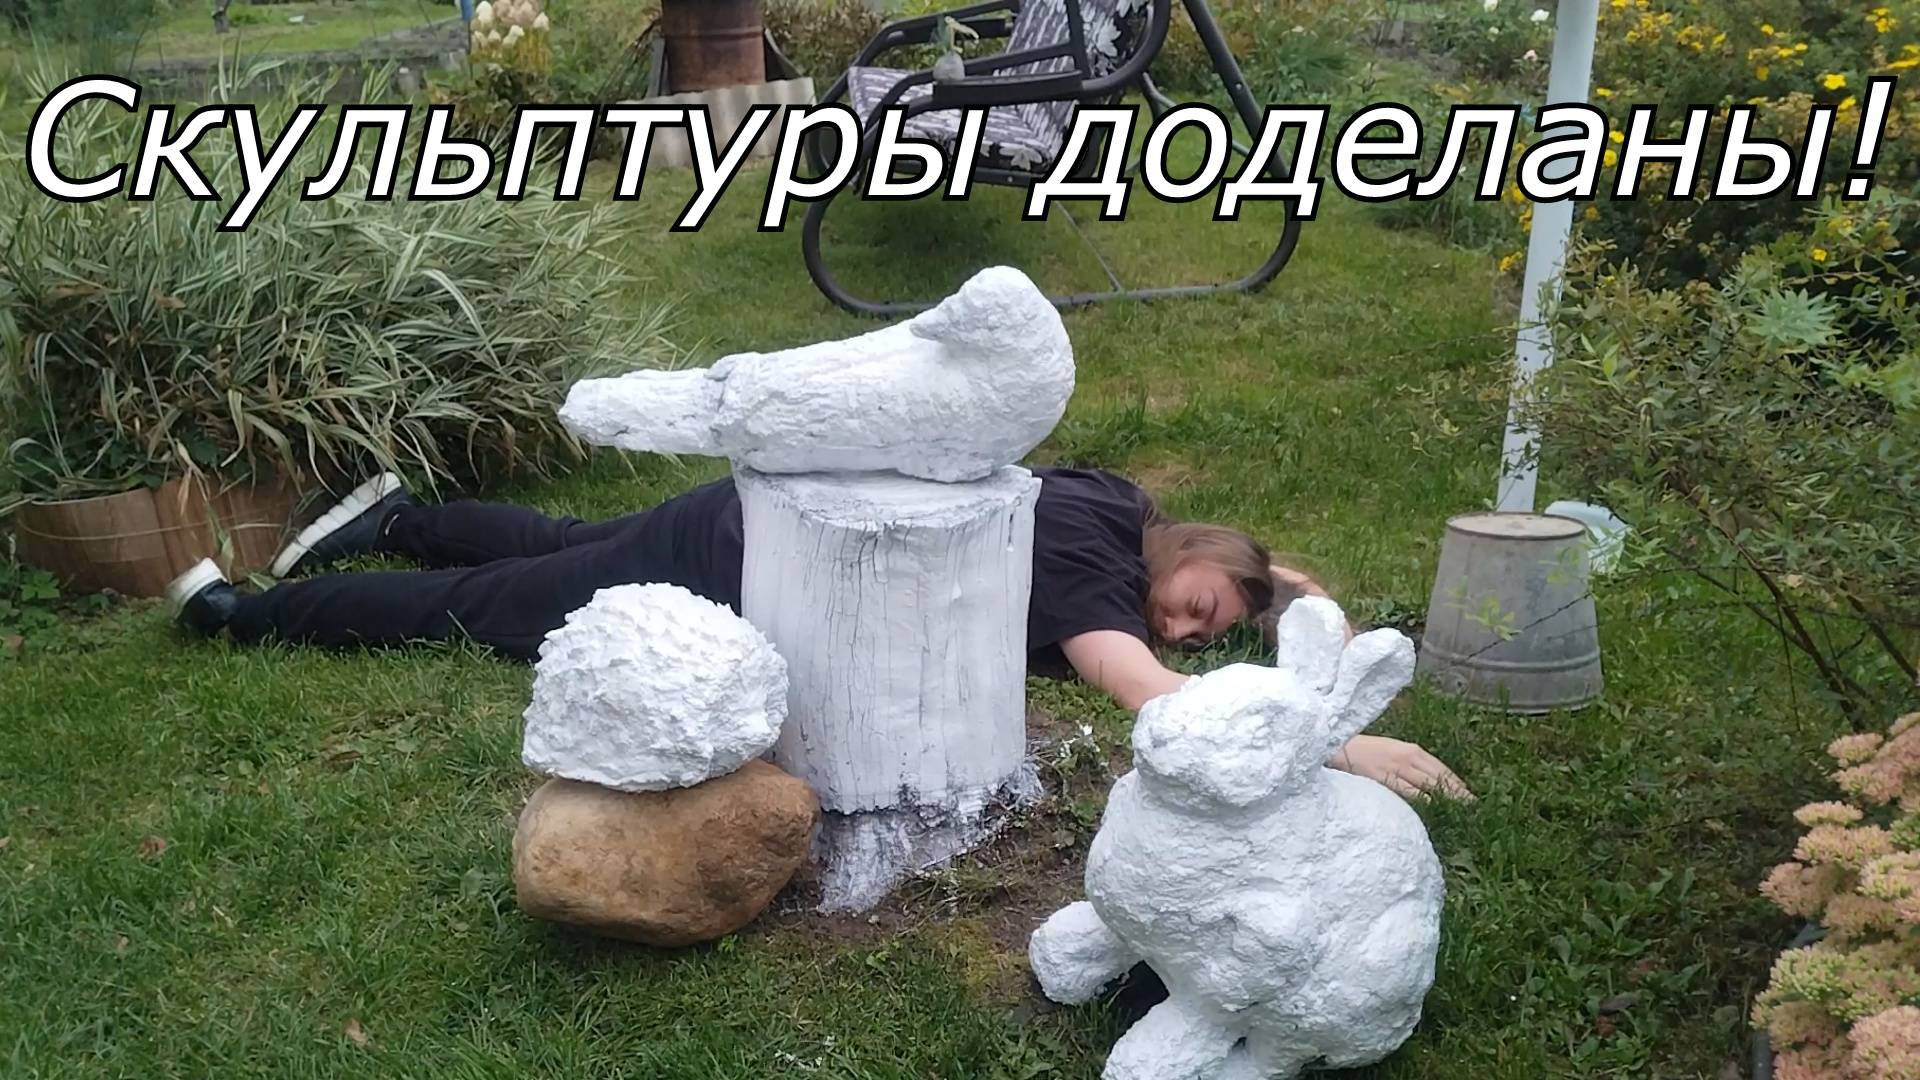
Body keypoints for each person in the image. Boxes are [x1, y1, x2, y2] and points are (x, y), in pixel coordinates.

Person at [167, 469, 1472, 801]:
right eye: (1193, 605)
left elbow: (1269, 576)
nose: (1175, 629)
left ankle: (398, 515)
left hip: (754, 515)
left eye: (1200, 629)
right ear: (1189, 557)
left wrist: (1283, 600)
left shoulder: (1118, 508)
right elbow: (1147, 696)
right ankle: (237, 616)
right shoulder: (1087, 579)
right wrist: (1330, 746)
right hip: (747, 558)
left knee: (566, 543)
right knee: (505, 611)